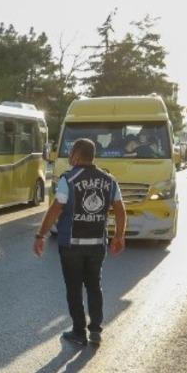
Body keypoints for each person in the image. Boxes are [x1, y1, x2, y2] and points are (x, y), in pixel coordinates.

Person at [33, 137, 126, 347]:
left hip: (71, 245)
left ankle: (78, 333)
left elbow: (56, 208)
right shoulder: (110, 180)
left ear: (75, 154)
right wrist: (119, 236)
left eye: (71, 153)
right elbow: (120, 211)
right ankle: (95, 331)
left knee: (74, 289)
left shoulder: (69, 179)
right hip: (96, 245)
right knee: (94, 286)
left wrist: (40, 235)